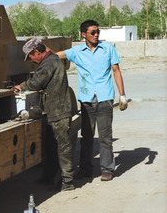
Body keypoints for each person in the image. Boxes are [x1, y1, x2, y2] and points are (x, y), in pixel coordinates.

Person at [55, 20, 128, 181]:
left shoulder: (108, 49)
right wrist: (40, 49)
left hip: (105, 98)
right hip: (87, 99)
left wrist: (122, 95)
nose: (96, 35)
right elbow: (55, 55)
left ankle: (107, 169)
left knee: (105, 136)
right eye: (93, 32)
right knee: (86, 136)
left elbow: (116, 70)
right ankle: (86, 168)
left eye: (98, 32)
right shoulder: (76, 51)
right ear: (83, 34)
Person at [16, 38, 75, 191]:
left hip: (59, 111)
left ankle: (67, 182)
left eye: (31, 56)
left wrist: (20, 86)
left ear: (37, 52)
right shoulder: (53, 60)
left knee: (62, 147)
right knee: (52, 146)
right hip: (53, 111)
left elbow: (36, 82)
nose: (31, 60)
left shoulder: (49, 63)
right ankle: (51, 177)